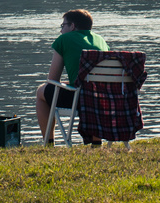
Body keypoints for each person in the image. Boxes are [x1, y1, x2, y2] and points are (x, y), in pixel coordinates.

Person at [35, 8, 108, 145]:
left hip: (80, 99)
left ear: (72, 26)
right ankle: (96, 142)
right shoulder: (101, 40)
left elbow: (52, 80)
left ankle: (48, 143)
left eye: (63, 26)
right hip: (103, 98)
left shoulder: (64, 39)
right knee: (88, 90)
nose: (61, 30)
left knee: (41, 91)